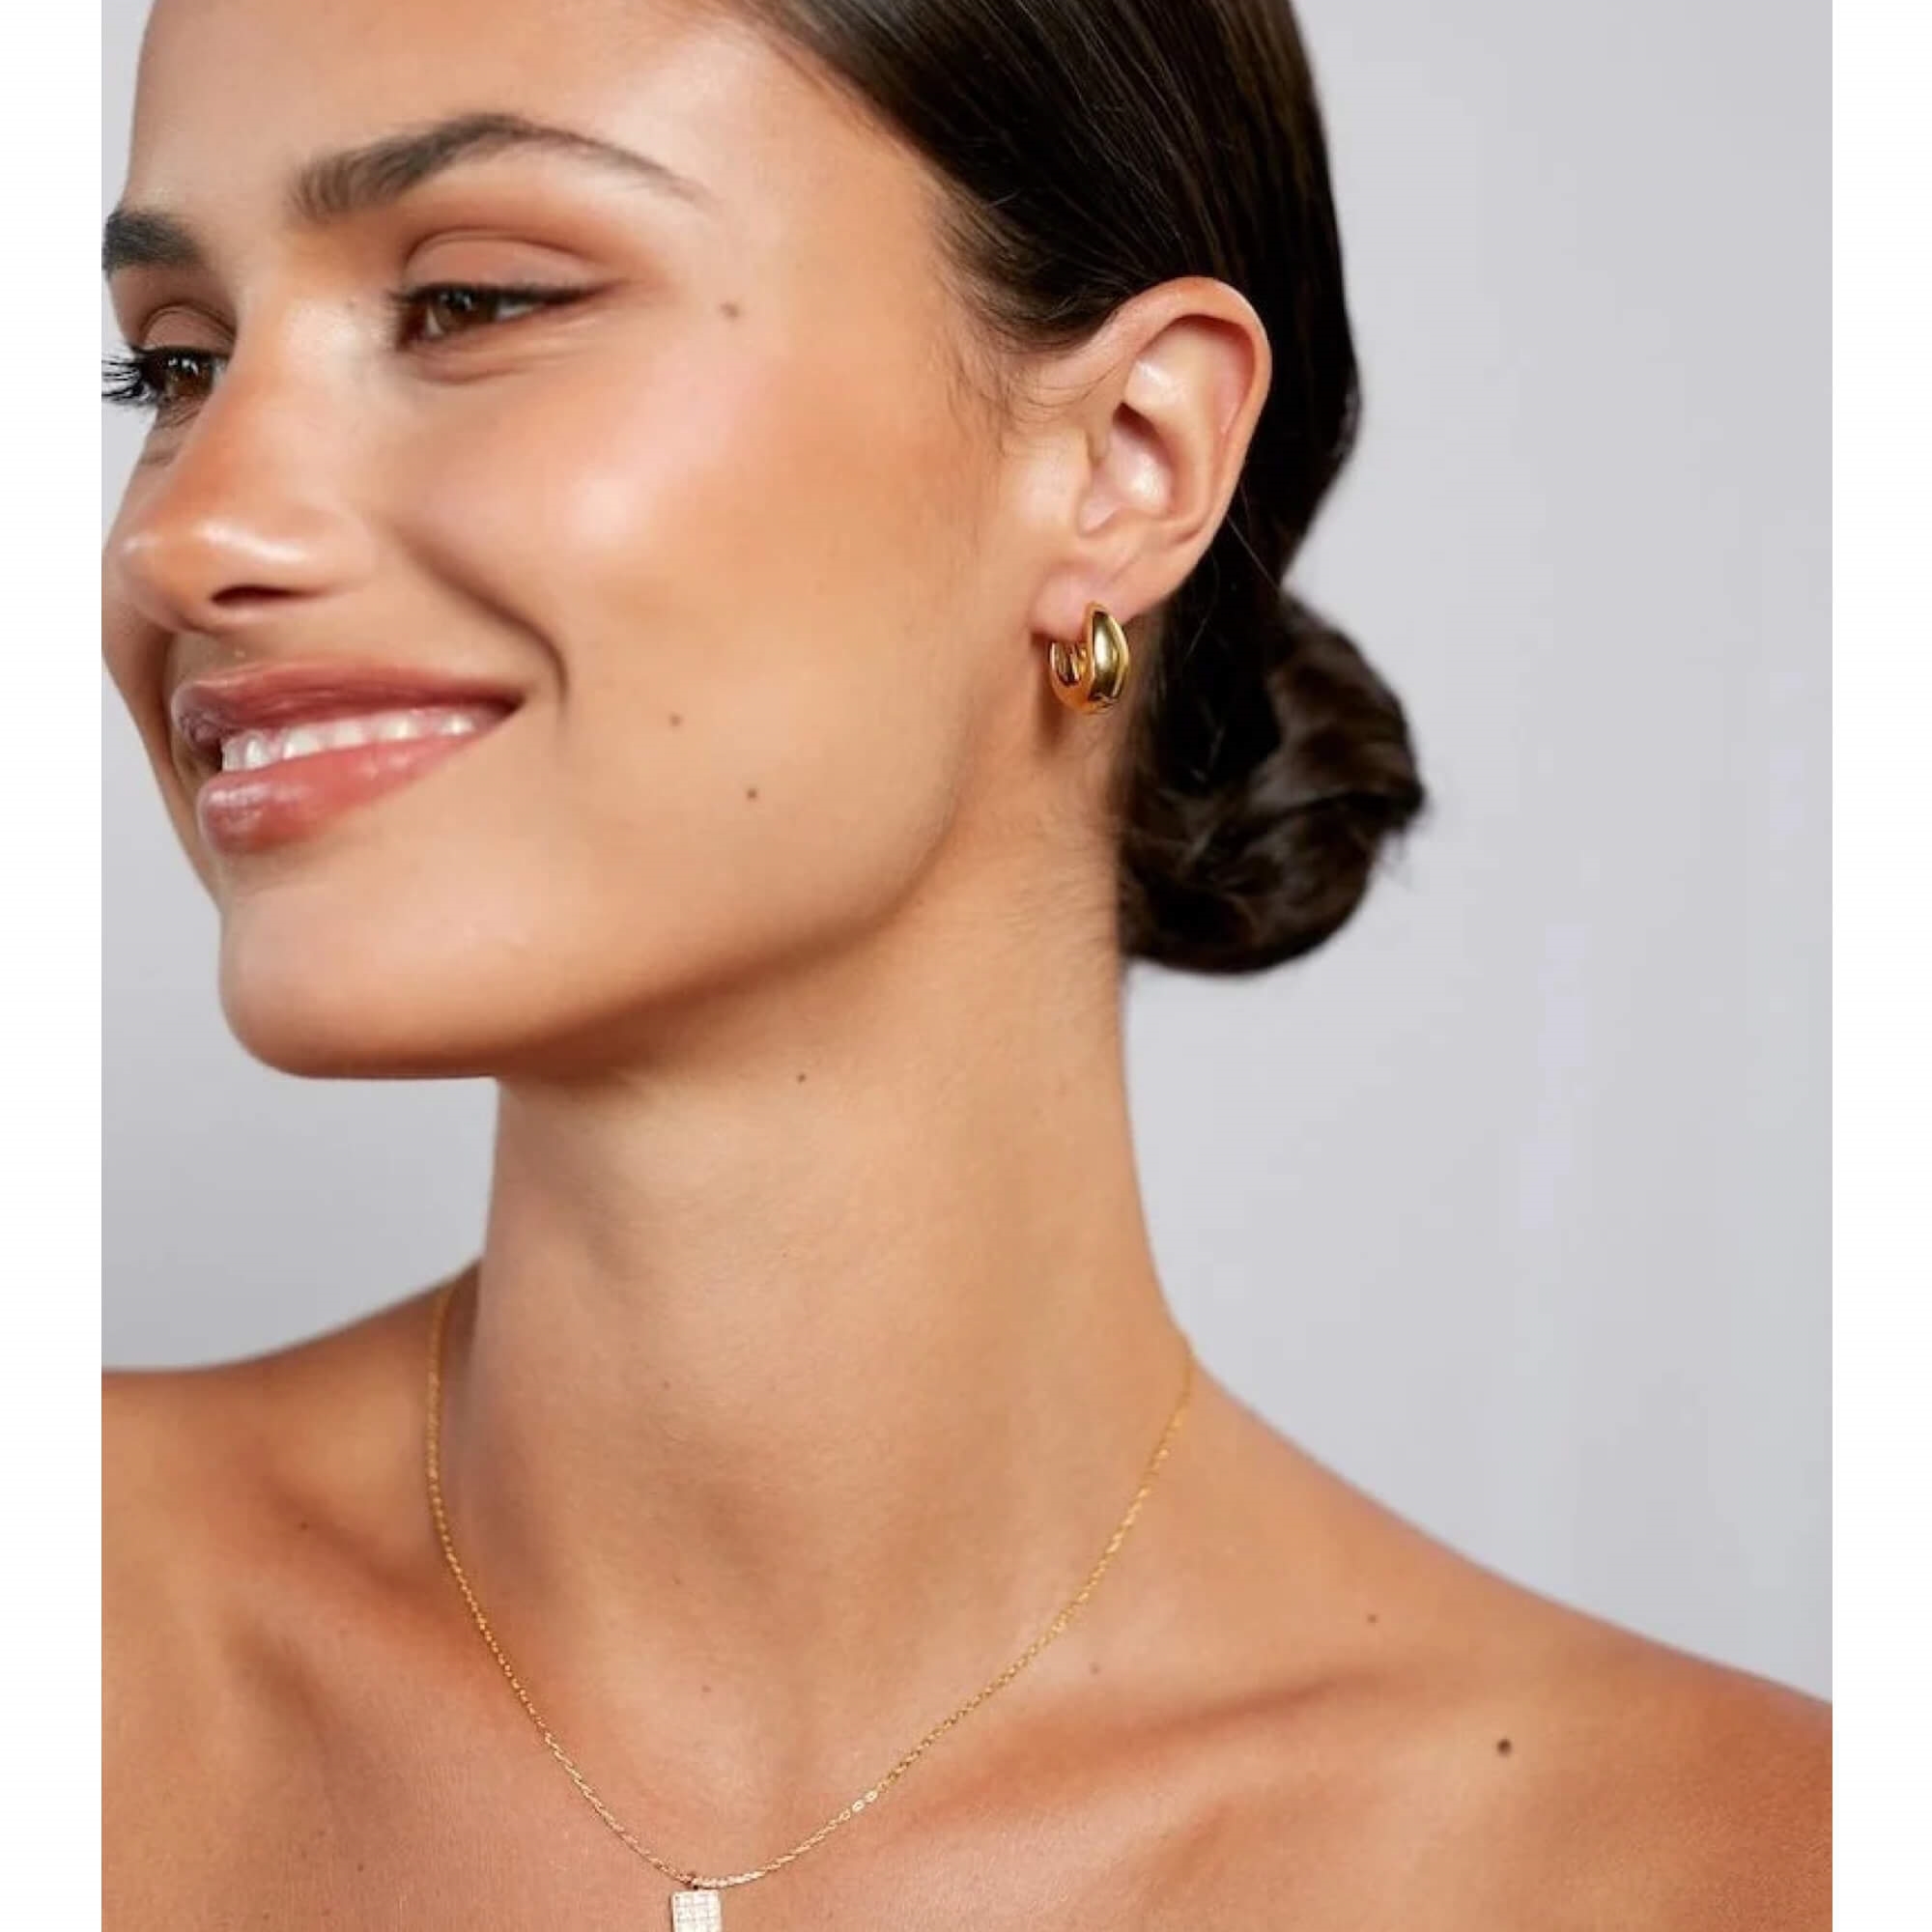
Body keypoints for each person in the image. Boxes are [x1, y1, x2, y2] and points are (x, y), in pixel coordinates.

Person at [100, 0, 1829, 1923]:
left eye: (474, 303)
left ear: (1126, 460)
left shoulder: (1749, 1868)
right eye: (172, 362)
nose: (189, 533)